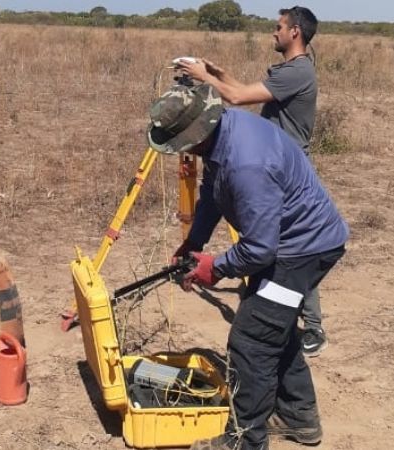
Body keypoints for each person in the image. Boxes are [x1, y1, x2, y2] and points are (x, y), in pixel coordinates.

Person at [148, 83, 348, 450]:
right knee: (274, 329)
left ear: (195, 134)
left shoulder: (247, 164)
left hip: (301, 251)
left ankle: (243, 440)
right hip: (291, 244)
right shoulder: (225, 132)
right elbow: (213, 192)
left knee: (252, 340)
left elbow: (259, 249)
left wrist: (215, 268)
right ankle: (298, 417)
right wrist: (194, 242)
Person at [176, 6, 329, 357]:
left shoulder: (299, 71)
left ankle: (313, 325)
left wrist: (204, 77)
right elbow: (243, 89)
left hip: (282, 169)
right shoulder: (290, 70)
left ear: (295, 32)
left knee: (292, 243)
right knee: (274, 243)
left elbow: (237, 98)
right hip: (269, 163)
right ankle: (279, 305)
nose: (274, 32)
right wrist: (219, 74)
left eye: (279, 27)